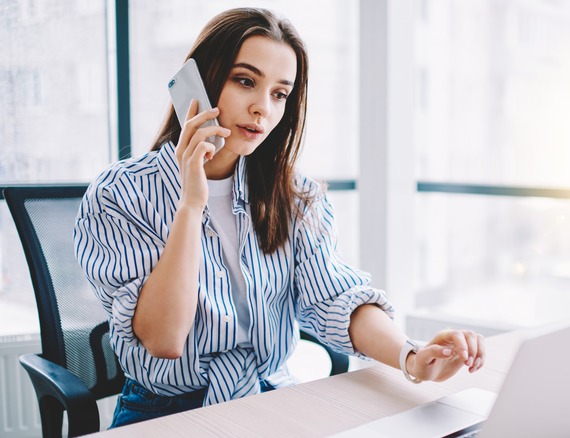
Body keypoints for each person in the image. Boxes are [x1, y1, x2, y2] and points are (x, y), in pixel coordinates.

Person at [74, 7, 485, 428]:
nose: (262, 109)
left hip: (269, 396)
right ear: (199, 82)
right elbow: (164, 340)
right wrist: (190, 205)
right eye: (245, 81)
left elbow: (335, 297)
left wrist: (412, 357)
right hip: (165, 412)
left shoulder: (293, 195)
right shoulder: (119, 192)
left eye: (279, 94)